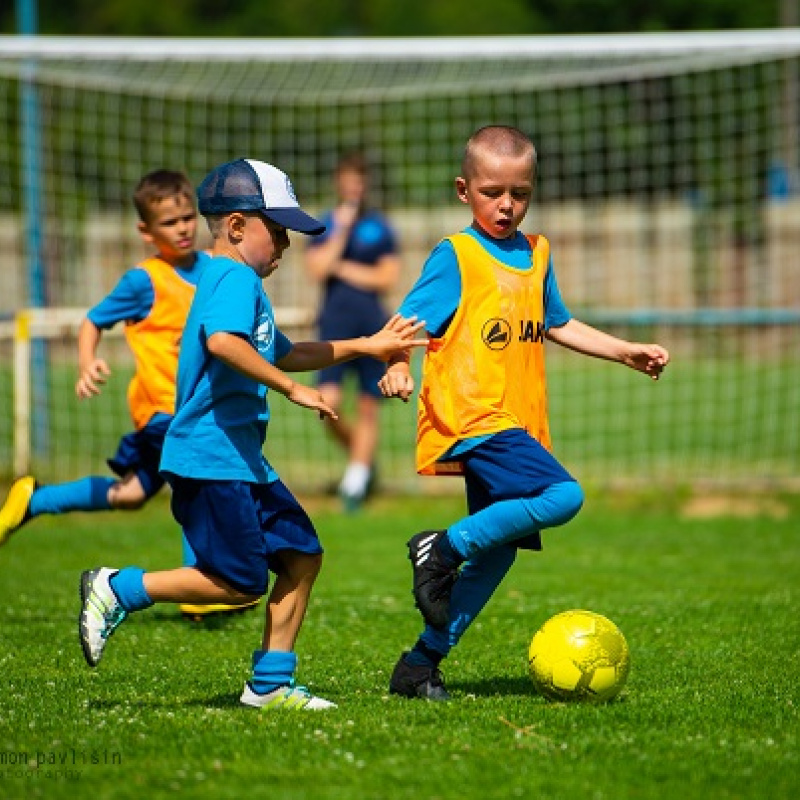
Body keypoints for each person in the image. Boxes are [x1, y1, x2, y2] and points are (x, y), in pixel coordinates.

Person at [77, 158, 427, 710]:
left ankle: (270, 685)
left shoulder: (236, 283)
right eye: (279, 230)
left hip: (240, 460)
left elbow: (286, 351)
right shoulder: (235, 278)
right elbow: (223, 344)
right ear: (237, 227)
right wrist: (293, 390)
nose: (286, 245)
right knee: (237, 582)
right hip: (209, 457)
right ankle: (117, 588)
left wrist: (367, 344)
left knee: (300, 555)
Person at [379, 126, 670, 701]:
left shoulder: (537, 255)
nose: (507, 204)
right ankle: (439, 547)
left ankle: (418, 667)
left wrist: (625, 352)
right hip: (474, 418)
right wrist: (396, 364)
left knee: (499, 553)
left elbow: (558, 323)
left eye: (520, 192)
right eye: (492, 192)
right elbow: (405, 324)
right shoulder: (455, 255)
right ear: (464, 191)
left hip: (517, 422)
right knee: (564, 497)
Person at [0, 170, 247, 617]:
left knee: (132, 495)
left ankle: (34, 500)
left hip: (195, 408)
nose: (184, 228)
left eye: (188, 217)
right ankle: (204, 586)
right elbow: (92, 320)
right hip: (161, 410)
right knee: (195, 478)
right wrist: (87, 361)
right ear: (146, 231)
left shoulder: (216, 269)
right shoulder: (143, 281)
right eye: (170, 222)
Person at [304, 152, 402, 511]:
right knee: (326, 404)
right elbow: (316, 270)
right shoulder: (325, 225)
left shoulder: (381, 227)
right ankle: (362, 460)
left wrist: (341, 268)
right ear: (339, 183)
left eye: (359, 181)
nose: (353, 188)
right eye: (348, 181)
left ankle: (356, 482)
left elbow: (386, 277)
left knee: (367, 408)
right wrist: (342, 233)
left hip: (372, 323)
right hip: (333, 324)